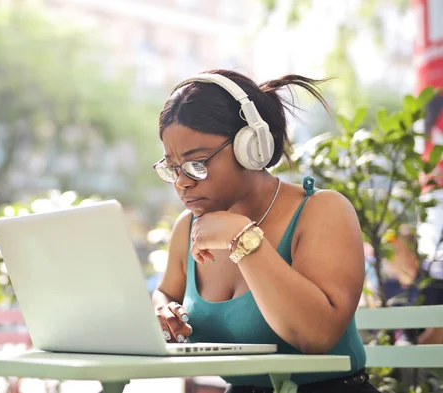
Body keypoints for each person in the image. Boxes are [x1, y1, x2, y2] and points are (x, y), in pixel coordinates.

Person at [151, 69, 378, 393]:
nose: (183, 182)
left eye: (196, 164)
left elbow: (317, 335)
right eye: (172, 168)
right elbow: (165, 294)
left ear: (251, 147)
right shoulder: (188, 228)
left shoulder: (322, 211)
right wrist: (162, 311)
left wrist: (243, 239)